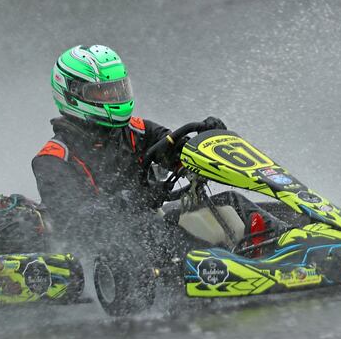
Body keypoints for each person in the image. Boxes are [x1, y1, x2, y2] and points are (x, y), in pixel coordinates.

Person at [31, 45, 283, 257]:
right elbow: (77, 222)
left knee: (230, 201)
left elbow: (176, 153)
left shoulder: (137, 130)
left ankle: (288, 245)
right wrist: (136, 199)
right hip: (104, 248)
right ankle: (226, 263)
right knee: (153, 230)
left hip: (149, 224)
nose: (114, 97)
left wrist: (208, 140)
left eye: (118, 90)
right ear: (72, 95)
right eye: (103, 92)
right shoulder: (53, 158)